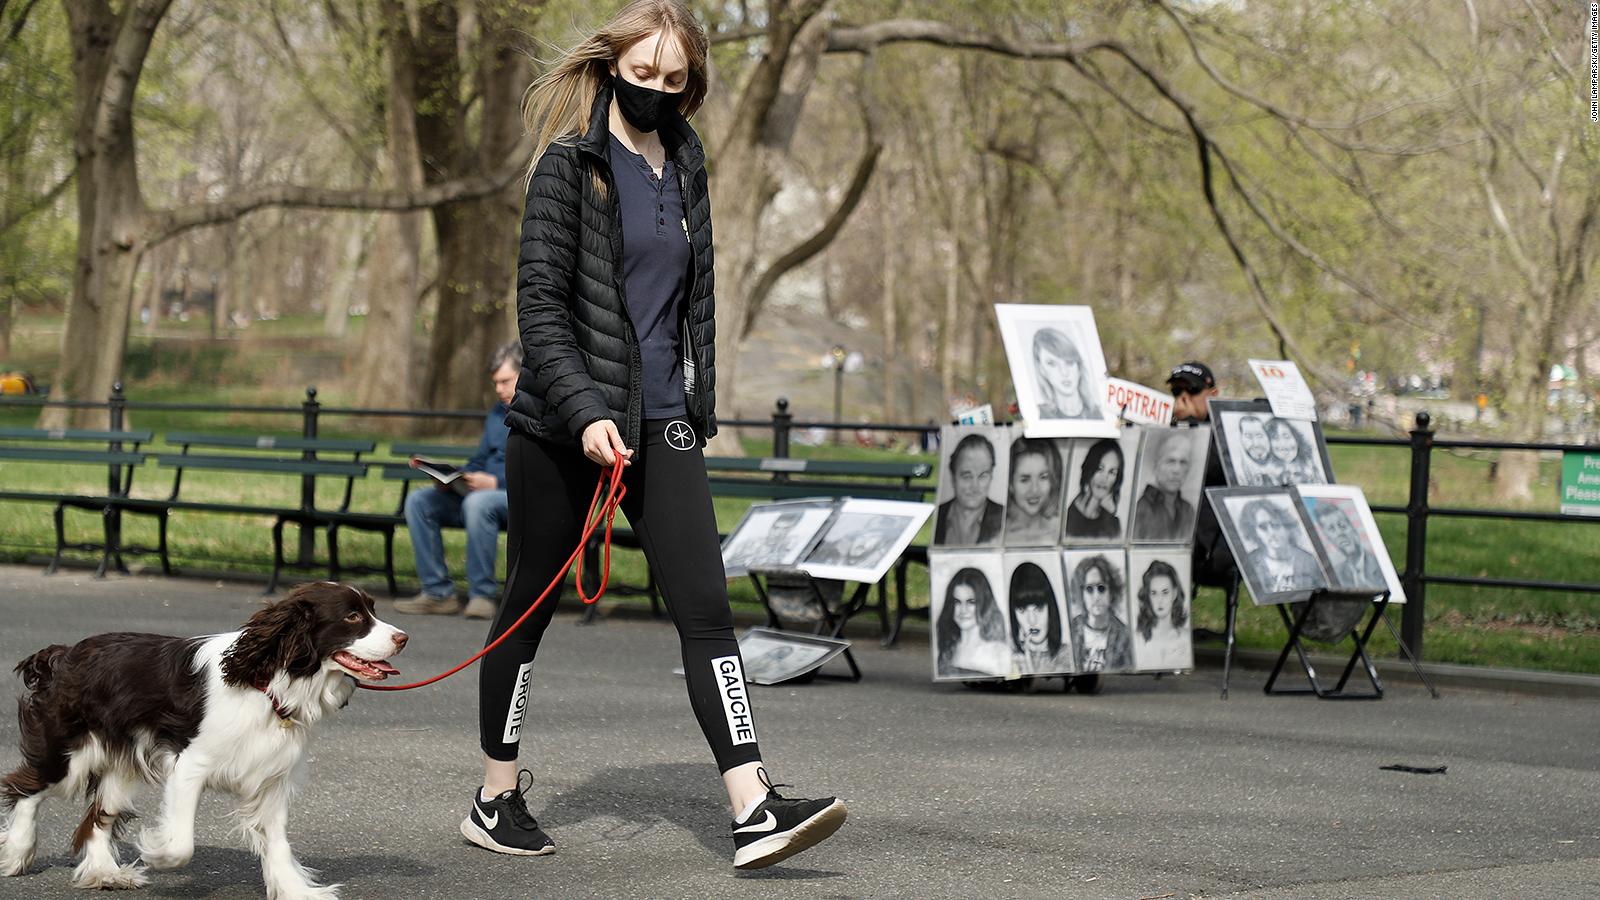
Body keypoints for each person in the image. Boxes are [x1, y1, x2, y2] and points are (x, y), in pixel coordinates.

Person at [459, 1, 844, 871]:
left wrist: (694, 402)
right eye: (643, 78)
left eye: (675, 82)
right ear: (611, 70)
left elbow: (690, 301)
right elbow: (541, 313)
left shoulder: (687, 166)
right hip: (564, 427)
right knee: (525, 610)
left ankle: (752, 805)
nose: (658, 94)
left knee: (708, 612)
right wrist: (588, 408)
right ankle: (494, 796)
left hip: (665, 423)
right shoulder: (569, 167)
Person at [395, 344, 516, 620]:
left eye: (505, 381)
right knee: (420, 502)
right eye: (495, 382)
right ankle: (438, 593)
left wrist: (495, 482)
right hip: (483, 495)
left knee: (477, 502)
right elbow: (481, 458)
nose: (498, 389)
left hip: (519, 498)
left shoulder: (543, 413)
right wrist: (456, 477)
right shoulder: (498, 413)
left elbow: (540, 470)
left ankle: (482, 595)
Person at [934, 567, 1010, 678]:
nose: (963, 610)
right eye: (957, 602)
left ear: (984, 603)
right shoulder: (947, 649)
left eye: (971, 602)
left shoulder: (999, 652)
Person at [1238, 499, 1323, 594]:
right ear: (1254, 532)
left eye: (1275, 525)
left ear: (1286, 527)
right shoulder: (1250, 562)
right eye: (1263, 527)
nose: (1272, 532)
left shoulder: (1309, 561)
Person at [934, 433, 1003, 546]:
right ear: (953, 476)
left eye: (982, 476)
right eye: (967, 476)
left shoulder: (1004, 517)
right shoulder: (939, 515)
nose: (974, 487)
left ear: (991, 476)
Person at [1068, 554, 1132, 672]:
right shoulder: (1071, 630)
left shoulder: (1124, 635)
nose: (1096, 597)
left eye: (1101, 588)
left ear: (1112, 592)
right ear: (1081, 593)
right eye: (1089, 589)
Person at [1131, 429, 1197, 541]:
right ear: (1156, 465)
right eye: (1170, 461)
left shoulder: (1188, 510)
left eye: (1183, 462)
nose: (1177, 470)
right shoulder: (1141, 509)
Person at [1008, 563, 1072, 675]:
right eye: (1022, 609)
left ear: (1050, 608)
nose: (1032, 620)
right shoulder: (1009, 656)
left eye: (1039, 608)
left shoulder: (1067, 656)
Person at [1032, 327, 1101, 420]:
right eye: (1052, 364)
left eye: (1069, 362)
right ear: (1042, 370)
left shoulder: (1100, 415)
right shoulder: (1037, 415)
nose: (1064, 372)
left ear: (1079, 366)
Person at [1312, 502, 1385, 590]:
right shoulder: (1337, 573)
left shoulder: (1380, 564)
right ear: (1329, 538)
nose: (1340, 533)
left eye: (1342, 525)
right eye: (1332, 529)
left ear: (1352, 528)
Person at [1003, 438, 1063, 545]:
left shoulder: (1059, 532)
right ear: (1010, 484)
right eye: (1025, 480)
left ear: (1053, 481)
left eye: (1043, 477)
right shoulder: (997, 536)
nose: (1035, 489)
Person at [1064, 438, 1125, 541]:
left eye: (1112, 472)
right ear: (1089, 469)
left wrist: (1109, 518)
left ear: (1117, 479)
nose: (1104, 478)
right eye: (1100, 469)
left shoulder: (1113, 524)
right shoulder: (1067, 517)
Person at [1134, 559, 1190, 669]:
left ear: (1174, 594)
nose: (1160, 600)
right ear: (1148, 597)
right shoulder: (1138, 639)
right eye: (1154, 593)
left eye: (1165, 592)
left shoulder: (1185, 637)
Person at [724, 508, 806, 572]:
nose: (778, 533)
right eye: (776, 528)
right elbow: (730, 563)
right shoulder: (750, 544)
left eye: (785, 529)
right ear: (771, 526)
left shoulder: (791, 545)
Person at [807, 516, 901, 569]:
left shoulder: (874, 561)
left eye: (873, 537)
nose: (864, 541)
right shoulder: (830, 553)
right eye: (862, 536)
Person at [1264, 417, 1324, 485]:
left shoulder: (1311, 468)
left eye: (1287, 437)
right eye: (1275, 438)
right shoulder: (1267, 476)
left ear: (1297, 438)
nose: (1283, 444)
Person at [1234, 414, 1278, 486]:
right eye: (1248, 436)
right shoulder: (1239, 471)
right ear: (1241, 438)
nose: (1255, 443)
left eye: (1259, 435)